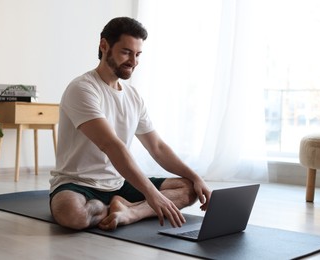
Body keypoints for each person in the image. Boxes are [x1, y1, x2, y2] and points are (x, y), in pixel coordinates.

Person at [49, 17, 211, 231]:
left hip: (119, 182)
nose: (134, 61)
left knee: (189, 189)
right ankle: (112, 206)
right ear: (104, 45)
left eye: (138, 54)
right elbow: (111, 145)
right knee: (73, 215)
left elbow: (158, 148)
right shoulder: (82, 89)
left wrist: (195, 177)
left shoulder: (133, 96)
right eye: (126, 52)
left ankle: (129, 212)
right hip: (78, 184)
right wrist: (152, 195)